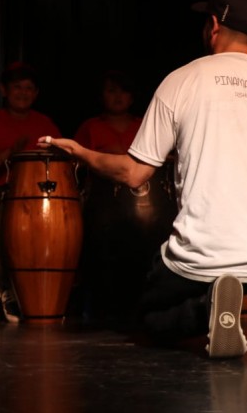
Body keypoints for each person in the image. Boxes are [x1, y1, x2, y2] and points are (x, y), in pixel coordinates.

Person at [37, 0, 247, 358]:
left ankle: (209, 312)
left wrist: (81, 152)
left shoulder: (182, 80)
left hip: (209, 256)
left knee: (153, 316)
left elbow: (134, 173)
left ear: (213, 26)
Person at [73, 69, 175, 324]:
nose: (118, 97)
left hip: (148, 208)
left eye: (124, 91)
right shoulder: (91, 127)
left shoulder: (144, 124)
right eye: (111, 90)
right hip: (101, 210)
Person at [0, 61, 62, 321]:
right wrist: (10, 152)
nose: (23, 93)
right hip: (4, 195)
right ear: (4, 90)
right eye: (17, 87)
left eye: (29, 88)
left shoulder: (45, 122)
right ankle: (9, 290)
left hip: (41, 199)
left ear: (35, 93)